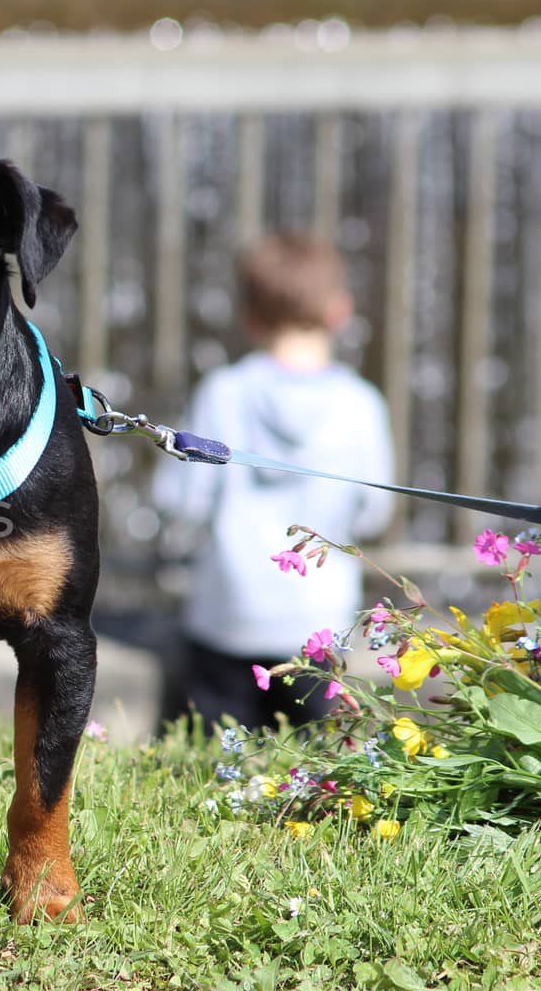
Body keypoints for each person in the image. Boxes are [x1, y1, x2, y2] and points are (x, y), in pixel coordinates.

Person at [153, 232, 395, 730]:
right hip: (317, 621)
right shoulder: (361, 403)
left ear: (250, 317)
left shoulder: (224, 392)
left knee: (216, 755)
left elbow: (181, 499)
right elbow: (375, 511)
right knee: (307, 756)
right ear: (339, 311)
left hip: (227, 613)